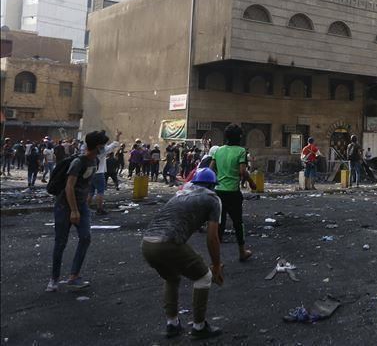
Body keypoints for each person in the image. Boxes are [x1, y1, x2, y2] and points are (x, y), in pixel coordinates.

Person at [141, 167, 224, 339]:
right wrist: (216, 265)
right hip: (168, 242)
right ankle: (199, 327)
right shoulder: (212, 199)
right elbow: (212, 238)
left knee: (171, 277)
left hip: (147, 243)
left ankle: (172, 324)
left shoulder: (180, 194)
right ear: (212, 185)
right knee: (204, 277)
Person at [47, 130, 107, 292]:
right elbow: (69, 187)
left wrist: (83, 205)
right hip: (64, 206)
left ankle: (74, 277)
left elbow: (86, 184)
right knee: (61, 242)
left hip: (81, 205)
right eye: (102, 146)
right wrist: (74, 210)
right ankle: (54, 279)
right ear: (96, 146)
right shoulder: (78, 162)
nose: (104, 148)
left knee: (85, 238)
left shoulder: (95, 161)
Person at [211, 124, 254, 262]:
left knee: (219, 224)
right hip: (233, 192)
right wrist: (251, 182)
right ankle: (242, 252)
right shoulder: (241, 151)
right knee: (238, 223)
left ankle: (216, 260)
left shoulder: (218, 151)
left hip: (218, 192)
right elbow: (242, 171)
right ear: (240, 137)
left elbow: (211, 169)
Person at [90, 131, 121, 216]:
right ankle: (99, 209)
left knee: (90, 192)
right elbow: (114, 144)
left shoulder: (89, 149)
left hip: (90, 172)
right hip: (99, 173)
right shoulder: (103, 150)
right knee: (100, 192)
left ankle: (84, 208)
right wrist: (117, 136)